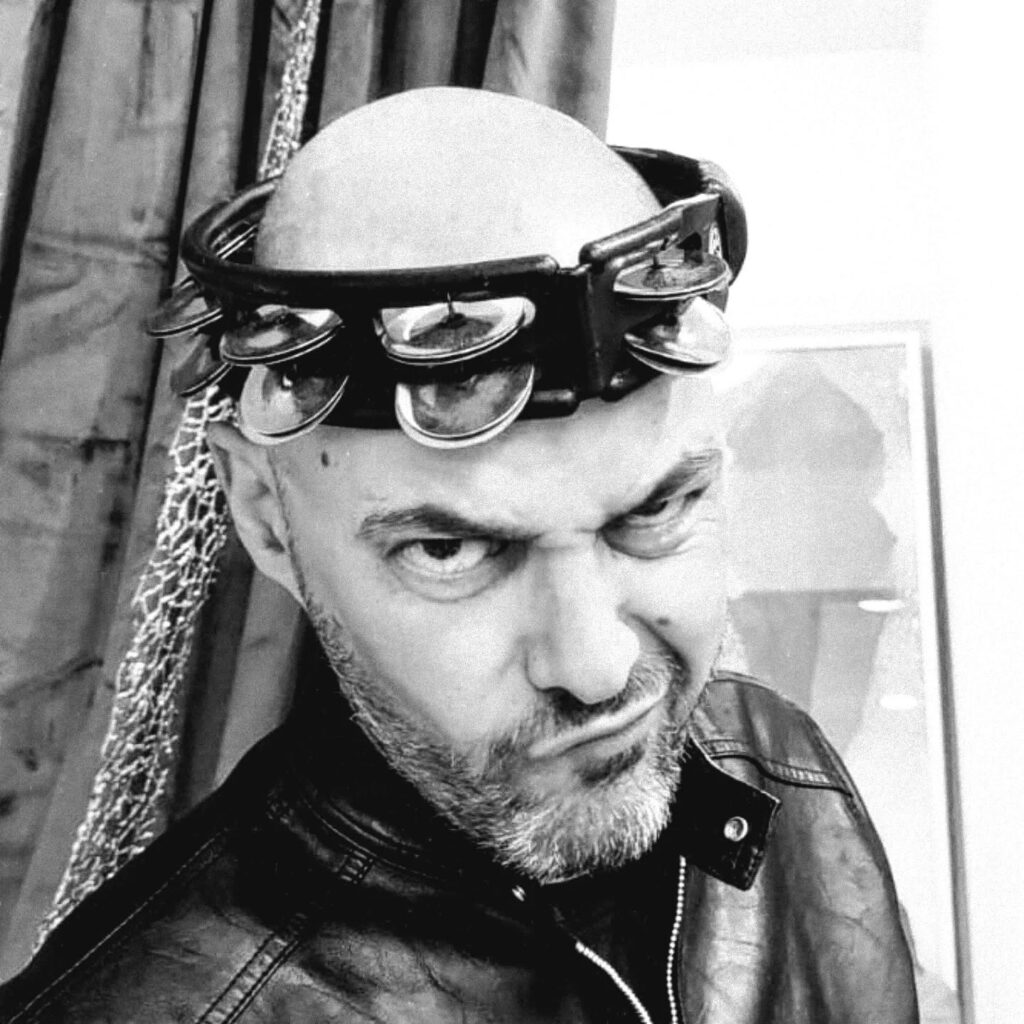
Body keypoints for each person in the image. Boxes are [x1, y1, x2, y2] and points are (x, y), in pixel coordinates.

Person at [0, 87, 918, 1023]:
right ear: (267, 518)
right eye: (451, 550)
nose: (598, 670)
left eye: (659, 509)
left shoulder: (787, 769)